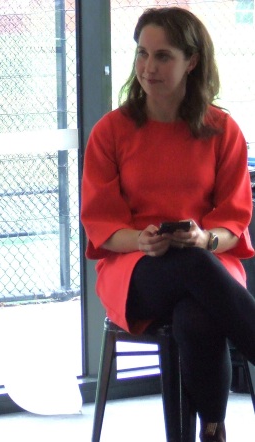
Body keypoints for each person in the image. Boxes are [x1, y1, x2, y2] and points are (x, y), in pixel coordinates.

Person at [81, 7, 255, 442]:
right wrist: (141, 238)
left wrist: (203, 238)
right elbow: (101, 224)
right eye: (142, 53)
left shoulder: (223, 130)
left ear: (191, 62)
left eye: (163, 56)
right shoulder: (110, 131)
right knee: (194, 271)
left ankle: (210, 431)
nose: (148, 67)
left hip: (212, 258)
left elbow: (234, 221)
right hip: (134, 267)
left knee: (196, 312)